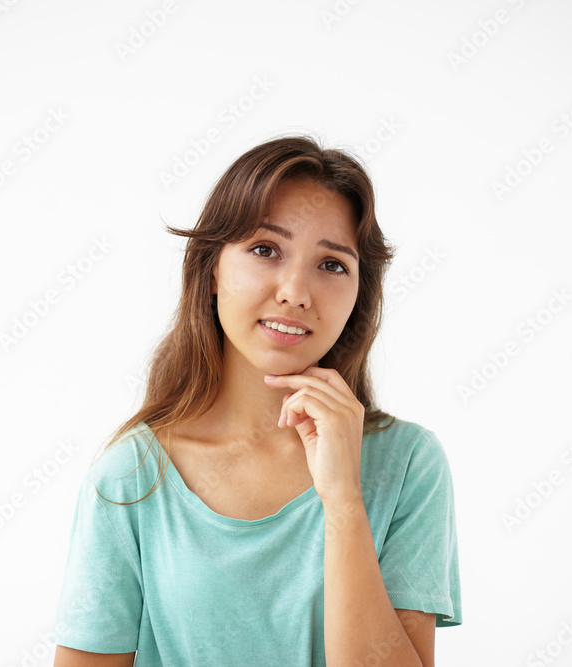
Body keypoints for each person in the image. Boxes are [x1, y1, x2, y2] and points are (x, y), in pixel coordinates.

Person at [51, 134, 461, 666]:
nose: (295, 292)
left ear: (360, 293)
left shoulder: (407, 465)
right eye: (265, 250)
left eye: (332, 264)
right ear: (211, 271)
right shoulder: (130, 477)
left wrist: (343, 499)